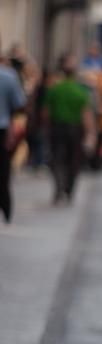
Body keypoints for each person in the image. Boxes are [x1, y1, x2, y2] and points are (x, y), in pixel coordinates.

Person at [42, 54, 95, 204]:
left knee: (57, 159)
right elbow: (87, 115)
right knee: (73, 160)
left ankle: (59, 188)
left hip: (57, 128)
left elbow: (45, 113)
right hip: (75, 130)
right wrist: (90, 133)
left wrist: (47, 128)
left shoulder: (54, 90)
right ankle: (69, 190)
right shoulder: (81, 91)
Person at [0, 45, 27, 223]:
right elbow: (20, 104)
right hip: (1, 129)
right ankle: (6, 206)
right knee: (3, 170)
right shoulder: (9, 76)